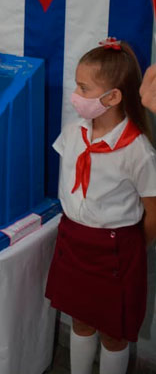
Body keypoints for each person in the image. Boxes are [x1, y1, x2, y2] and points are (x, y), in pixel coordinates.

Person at [45, 38, 156, 374]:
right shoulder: (73, 131)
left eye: (83, 88)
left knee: (113, 332)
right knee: (80, 319)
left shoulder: (138, 150)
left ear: (113, 97)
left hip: (115, 250)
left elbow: (153, 211)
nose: (75, 95)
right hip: (73, 240)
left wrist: (132, 246)